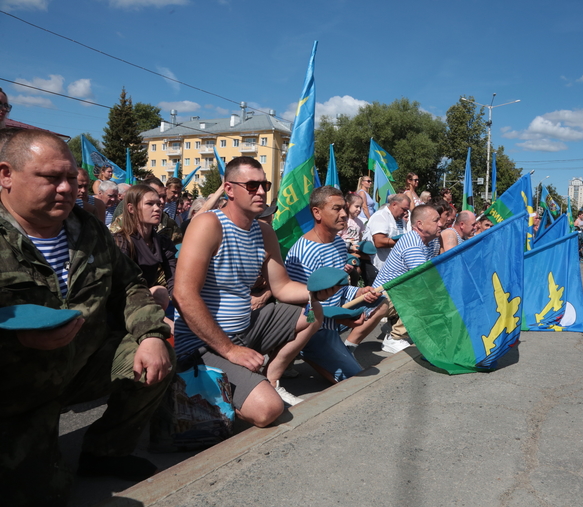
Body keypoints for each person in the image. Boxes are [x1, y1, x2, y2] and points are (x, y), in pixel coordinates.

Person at [0, 129, 174, 505]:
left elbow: (129, 285)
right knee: (45, 494)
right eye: (51, 178)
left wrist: (151, 335)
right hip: (16, 392)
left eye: (70, 178)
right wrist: (15, 339)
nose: (66, 188)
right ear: (6, 175)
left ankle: (105, 452)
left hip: (82, 366)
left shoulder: (88, 229)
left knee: (157, 357)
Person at [172, 156, 335, 425]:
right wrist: (229, 350)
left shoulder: (263, 231)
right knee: (268, 410)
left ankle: (270, 378)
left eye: (264, 185)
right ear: (229, 189)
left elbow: (281, 287)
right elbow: (183, 295)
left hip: (244, 330)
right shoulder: (208, 225)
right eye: (251, 185)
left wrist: (315, 293)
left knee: (312, 312)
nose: (261, 192)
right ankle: (196, 387)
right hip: (203, 343)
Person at [285, 186, 385, 379]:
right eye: (336, 209)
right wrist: (340, 318)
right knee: (353, 381)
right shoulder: (304, 252)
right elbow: (300, 306)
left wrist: (359, 292)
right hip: (314, 327)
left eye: (344, 209)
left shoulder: (339, 244)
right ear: (317, 212)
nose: (343, 214)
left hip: (336, 318)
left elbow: (339, 289)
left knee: (380, 302)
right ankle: (306, 350)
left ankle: (344, 349)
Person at [372, 204, 441, 353]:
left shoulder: (431, 241)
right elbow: (424, 280)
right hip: (379, 297)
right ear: (420, 224)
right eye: (436, 220)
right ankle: (395, 338)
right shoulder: (413, 243)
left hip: (394, 294)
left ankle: (392, 326)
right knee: (425, 294)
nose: (440, 224)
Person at [113, 185, 178, 332]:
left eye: (159, 204)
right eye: (150, 204)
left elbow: (173, 281)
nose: (157, 209)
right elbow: (122, 291)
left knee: (161, 293)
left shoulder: (163, 242)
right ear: (131, 208)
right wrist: (166, 322)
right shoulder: (121, 242)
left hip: (150, 299)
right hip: (124, 304)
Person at [365, 193, 410, 272]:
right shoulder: (381, 216)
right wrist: (403, 242)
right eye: (404, 209)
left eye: (407, 210)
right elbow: (378, 242)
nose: (406, 212)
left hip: (394, 267)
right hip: (378, 267)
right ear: (394, 204)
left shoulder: (401, 220)